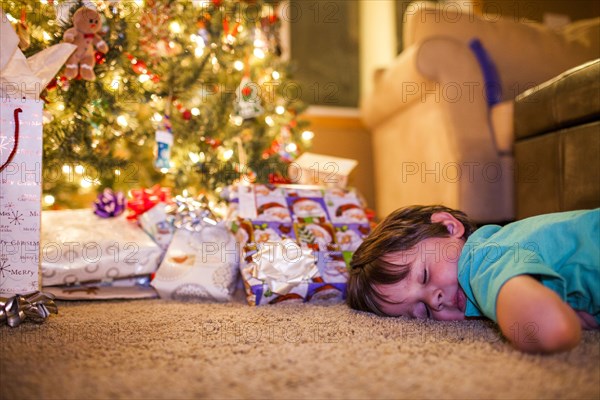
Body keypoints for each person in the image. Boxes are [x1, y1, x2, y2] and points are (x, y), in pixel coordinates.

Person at [347, 205, 600, 353]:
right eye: (422, 310)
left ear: (449, 227)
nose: (434, 301)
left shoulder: (479, 264)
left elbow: (553, 331)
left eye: (424, 276)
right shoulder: (501, 243)